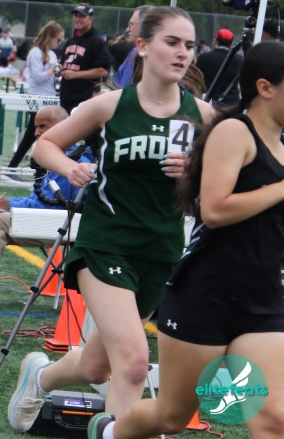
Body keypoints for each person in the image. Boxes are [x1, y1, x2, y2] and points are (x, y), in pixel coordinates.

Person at [7, 6, 215, 431]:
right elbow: (45, 146)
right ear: (142, 46)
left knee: (98, 365)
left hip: (161, 251)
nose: (183, 53)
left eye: (189, 45)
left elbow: (224, 184)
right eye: (172, 42)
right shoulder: (109, 105)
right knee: (135, 363)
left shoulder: (203, 115)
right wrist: (70, 168)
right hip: (106, 245)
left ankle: (39, 377)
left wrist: (196, 171)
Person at [87, 40, 284, 439]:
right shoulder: (234, 131)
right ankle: (109, 432)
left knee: (274, 418)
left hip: (264, 300)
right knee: (171, 418)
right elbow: (214, 210)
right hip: (206, 298)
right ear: (265, 88)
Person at [0, 105, 93, 308]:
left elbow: (52, 206)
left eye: (42, 126)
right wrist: (9, 204)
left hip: (63, 223)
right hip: (52, 219)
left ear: (63, 126)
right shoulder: (58, 155)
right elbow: (41, 199)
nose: (35, 132)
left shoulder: (74, 161)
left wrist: (11, 205)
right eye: (36, 126)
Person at [7, 22, 65, 168]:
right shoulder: (35, 52)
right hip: (37, 98)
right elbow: (38, 77)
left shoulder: (52, 54)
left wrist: (58, 74)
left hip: (49, 98)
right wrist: (53, 70)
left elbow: (50, 78)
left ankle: (30, 166)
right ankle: (15, 167)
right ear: (50, 37)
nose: (59, 43)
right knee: (34, 134)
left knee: (39, 135)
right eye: (58, 40)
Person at [58, 3, 112, 113]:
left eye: (82, 16)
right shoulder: (70, 41)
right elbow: (64, 65)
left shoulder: (97, 41)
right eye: (75, 16)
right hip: (66, 99)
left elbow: (103, 71)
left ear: (91, 19)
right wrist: (59, 70)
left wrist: (76, 74)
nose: (77, 19)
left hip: (85, 100)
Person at [196, 28, 242, 106]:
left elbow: (196, 78)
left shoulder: (204, 57)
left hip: (209, 102)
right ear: (232, 43)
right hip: (232, 104)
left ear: (215, 41)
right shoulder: (239, 59)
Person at [113, 6, 152, 88]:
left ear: (145, 25)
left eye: (131, 24)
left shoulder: (155, 58)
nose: (127, 30)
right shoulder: (133, 53)